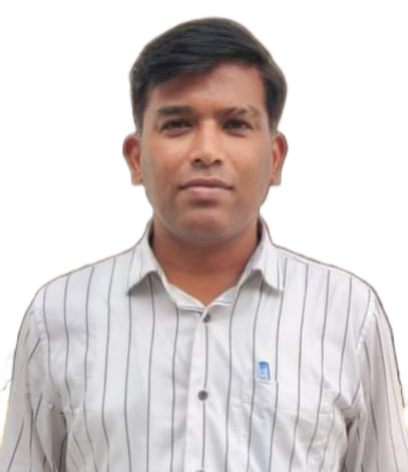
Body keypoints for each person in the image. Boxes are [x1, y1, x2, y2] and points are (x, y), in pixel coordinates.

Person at [1, 17, 407, 472]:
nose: (207, 151)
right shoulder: (57, 315)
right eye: (177, 124)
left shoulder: (348, 312)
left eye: (235, 124)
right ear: (135, 159)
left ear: (275, 159)